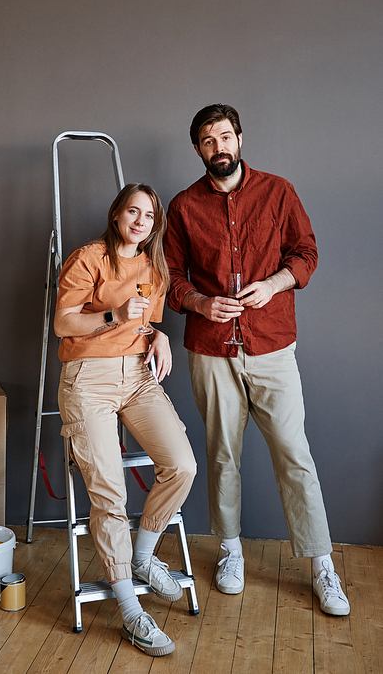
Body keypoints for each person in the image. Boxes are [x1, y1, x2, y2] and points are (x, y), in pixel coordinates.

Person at [164, 103, 350, 616]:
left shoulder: (279, 191)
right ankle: (229, 552)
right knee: (222, 454)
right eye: (208, 140)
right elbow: (169, 277)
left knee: (295, 454)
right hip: (211, 348)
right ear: (199, 149)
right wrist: (199, 302)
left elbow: (306, 254)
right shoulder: (182, 207)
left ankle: (321, 566)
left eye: (225, 136)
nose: (218, 146)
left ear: (240, 139)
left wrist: (275, 283)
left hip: (271, 345)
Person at [54, 182, 197, 656]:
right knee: (110, 493)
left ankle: (141, 556)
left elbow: (144, 317)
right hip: (87, 380)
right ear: (116, 214)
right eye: (132, 212)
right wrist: (112, 315)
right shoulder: (88, 258)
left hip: (137, 376)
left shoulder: (154, 266)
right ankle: (131, 612)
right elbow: (64, 322)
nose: (140, 221)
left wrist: (157, 336)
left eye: (149, 216)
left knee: (183, 465)